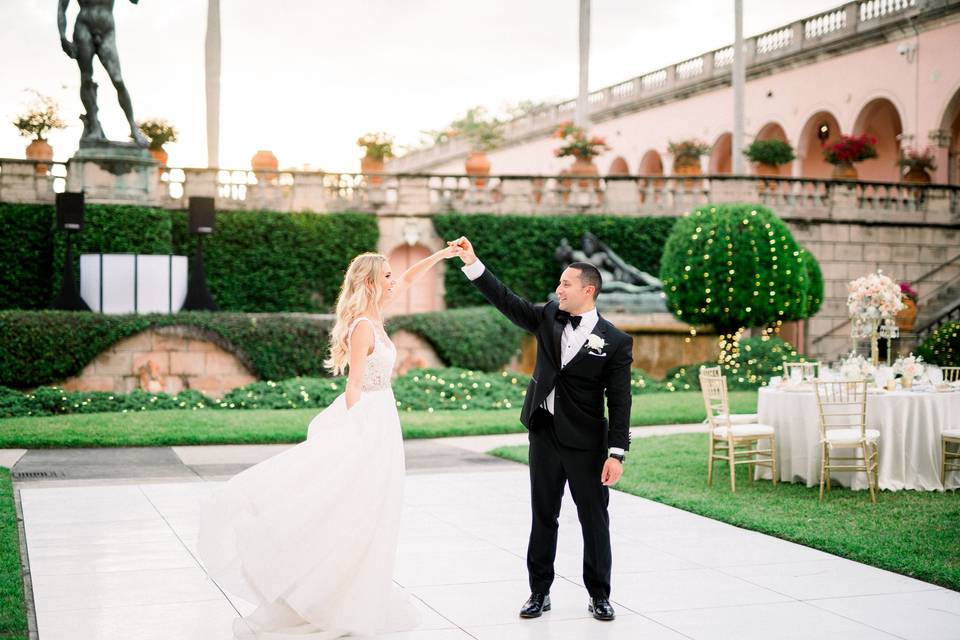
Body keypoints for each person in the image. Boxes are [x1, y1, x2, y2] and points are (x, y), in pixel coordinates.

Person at [197, 247, 459, 639]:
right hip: (369, 417)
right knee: (353, 509)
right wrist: (355, 431)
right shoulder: (363, 327)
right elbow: (354, 384)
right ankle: (328, 594)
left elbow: (408, 279)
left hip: (384, 418)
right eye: (385, 276)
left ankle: (356, 594)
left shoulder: (377, 315)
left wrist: (440, 255)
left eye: (391, 275)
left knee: (377, 511)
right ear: (370, 282)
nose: (393, 281)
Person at [448, 236, 633, 622]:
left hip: (587, 444)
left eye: (566, 284)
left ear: (588, 290)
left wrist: (616, 453)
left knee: (594, 520)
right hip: (544, 434)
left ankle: (599, 595)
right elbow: (508, 301)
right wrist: (473, 263)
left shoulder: (615, 342)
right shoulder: (549, 315)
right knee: (543, 516)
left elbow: (620, 402)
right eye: (559, 284)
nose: (558, 289)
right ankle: (539, 592)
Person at [58, 0, 149, 145]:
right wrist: (63, 36)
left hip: (107, 29)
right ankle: (94, 126)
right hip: (84, 26)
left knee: (117, 79)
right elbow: (62, 6)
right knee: (86, 78)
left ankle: (133, 128)